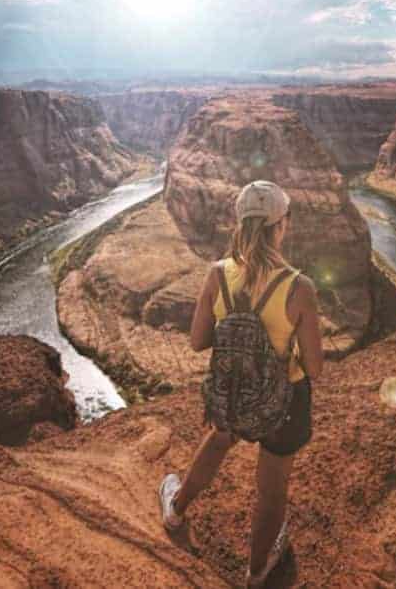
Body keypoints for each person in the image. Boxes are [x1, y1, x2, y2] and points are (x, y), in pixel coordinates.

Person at [159, 179, 324, 587]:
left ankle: (176, 510)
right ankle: (255, 573)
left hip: (233, 390)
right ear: (281, 225)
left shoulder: (218, 274)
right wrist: (274, 353)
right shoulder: (299, 287)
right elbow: (315, 368)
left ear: (239, 223)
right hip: (284, 402)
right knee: (271, 488)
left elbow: (198, 341)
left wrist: (239, 343)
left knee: (220, 437)